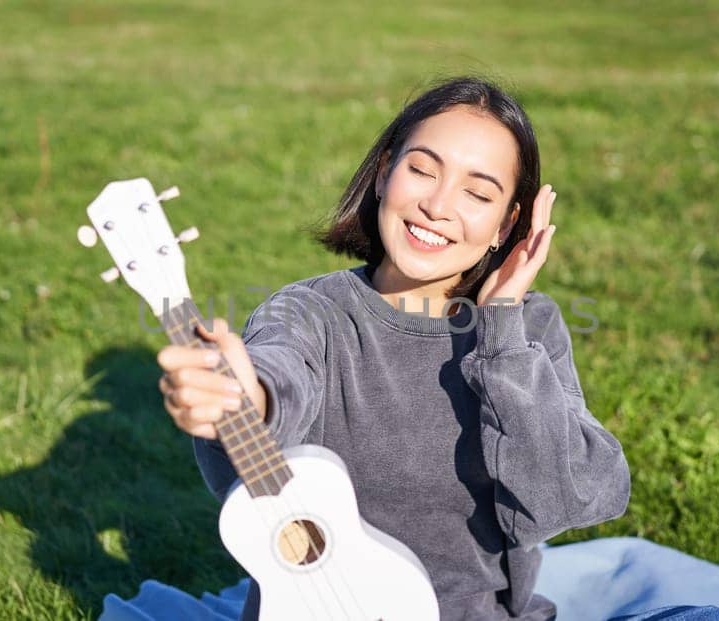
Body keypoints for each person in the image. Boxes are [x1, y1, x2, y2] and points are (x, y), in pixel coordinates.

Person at [155, 76, 627, 620]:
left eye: (477, 193)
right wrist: (245, 396)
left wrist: (500, 331)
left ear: (508, 224)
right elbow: (277, 376)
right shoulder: (308, 312)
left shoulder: (530, 326)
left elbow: (568, 500)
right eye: (421, 170)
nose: (437, 205)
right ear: (383, 173)